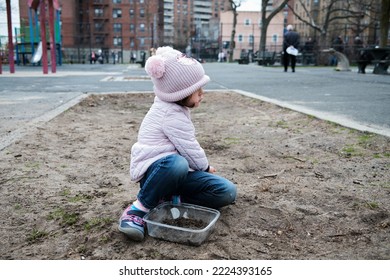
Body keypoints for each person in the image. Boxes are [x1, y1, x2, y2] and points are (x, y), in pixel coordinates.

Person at [118, 46, 237, 241]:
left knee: (227, 191)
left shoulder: (177, 108)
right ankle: (138, 209)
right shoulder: (169, 114)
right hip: (157, 172)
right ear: (180, 93)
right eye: (197, 90)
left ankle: (170, 200)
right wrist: (205, 167)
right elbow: (189, 147)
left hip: (179, 174)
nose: (202, 94)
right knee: (177, 163)